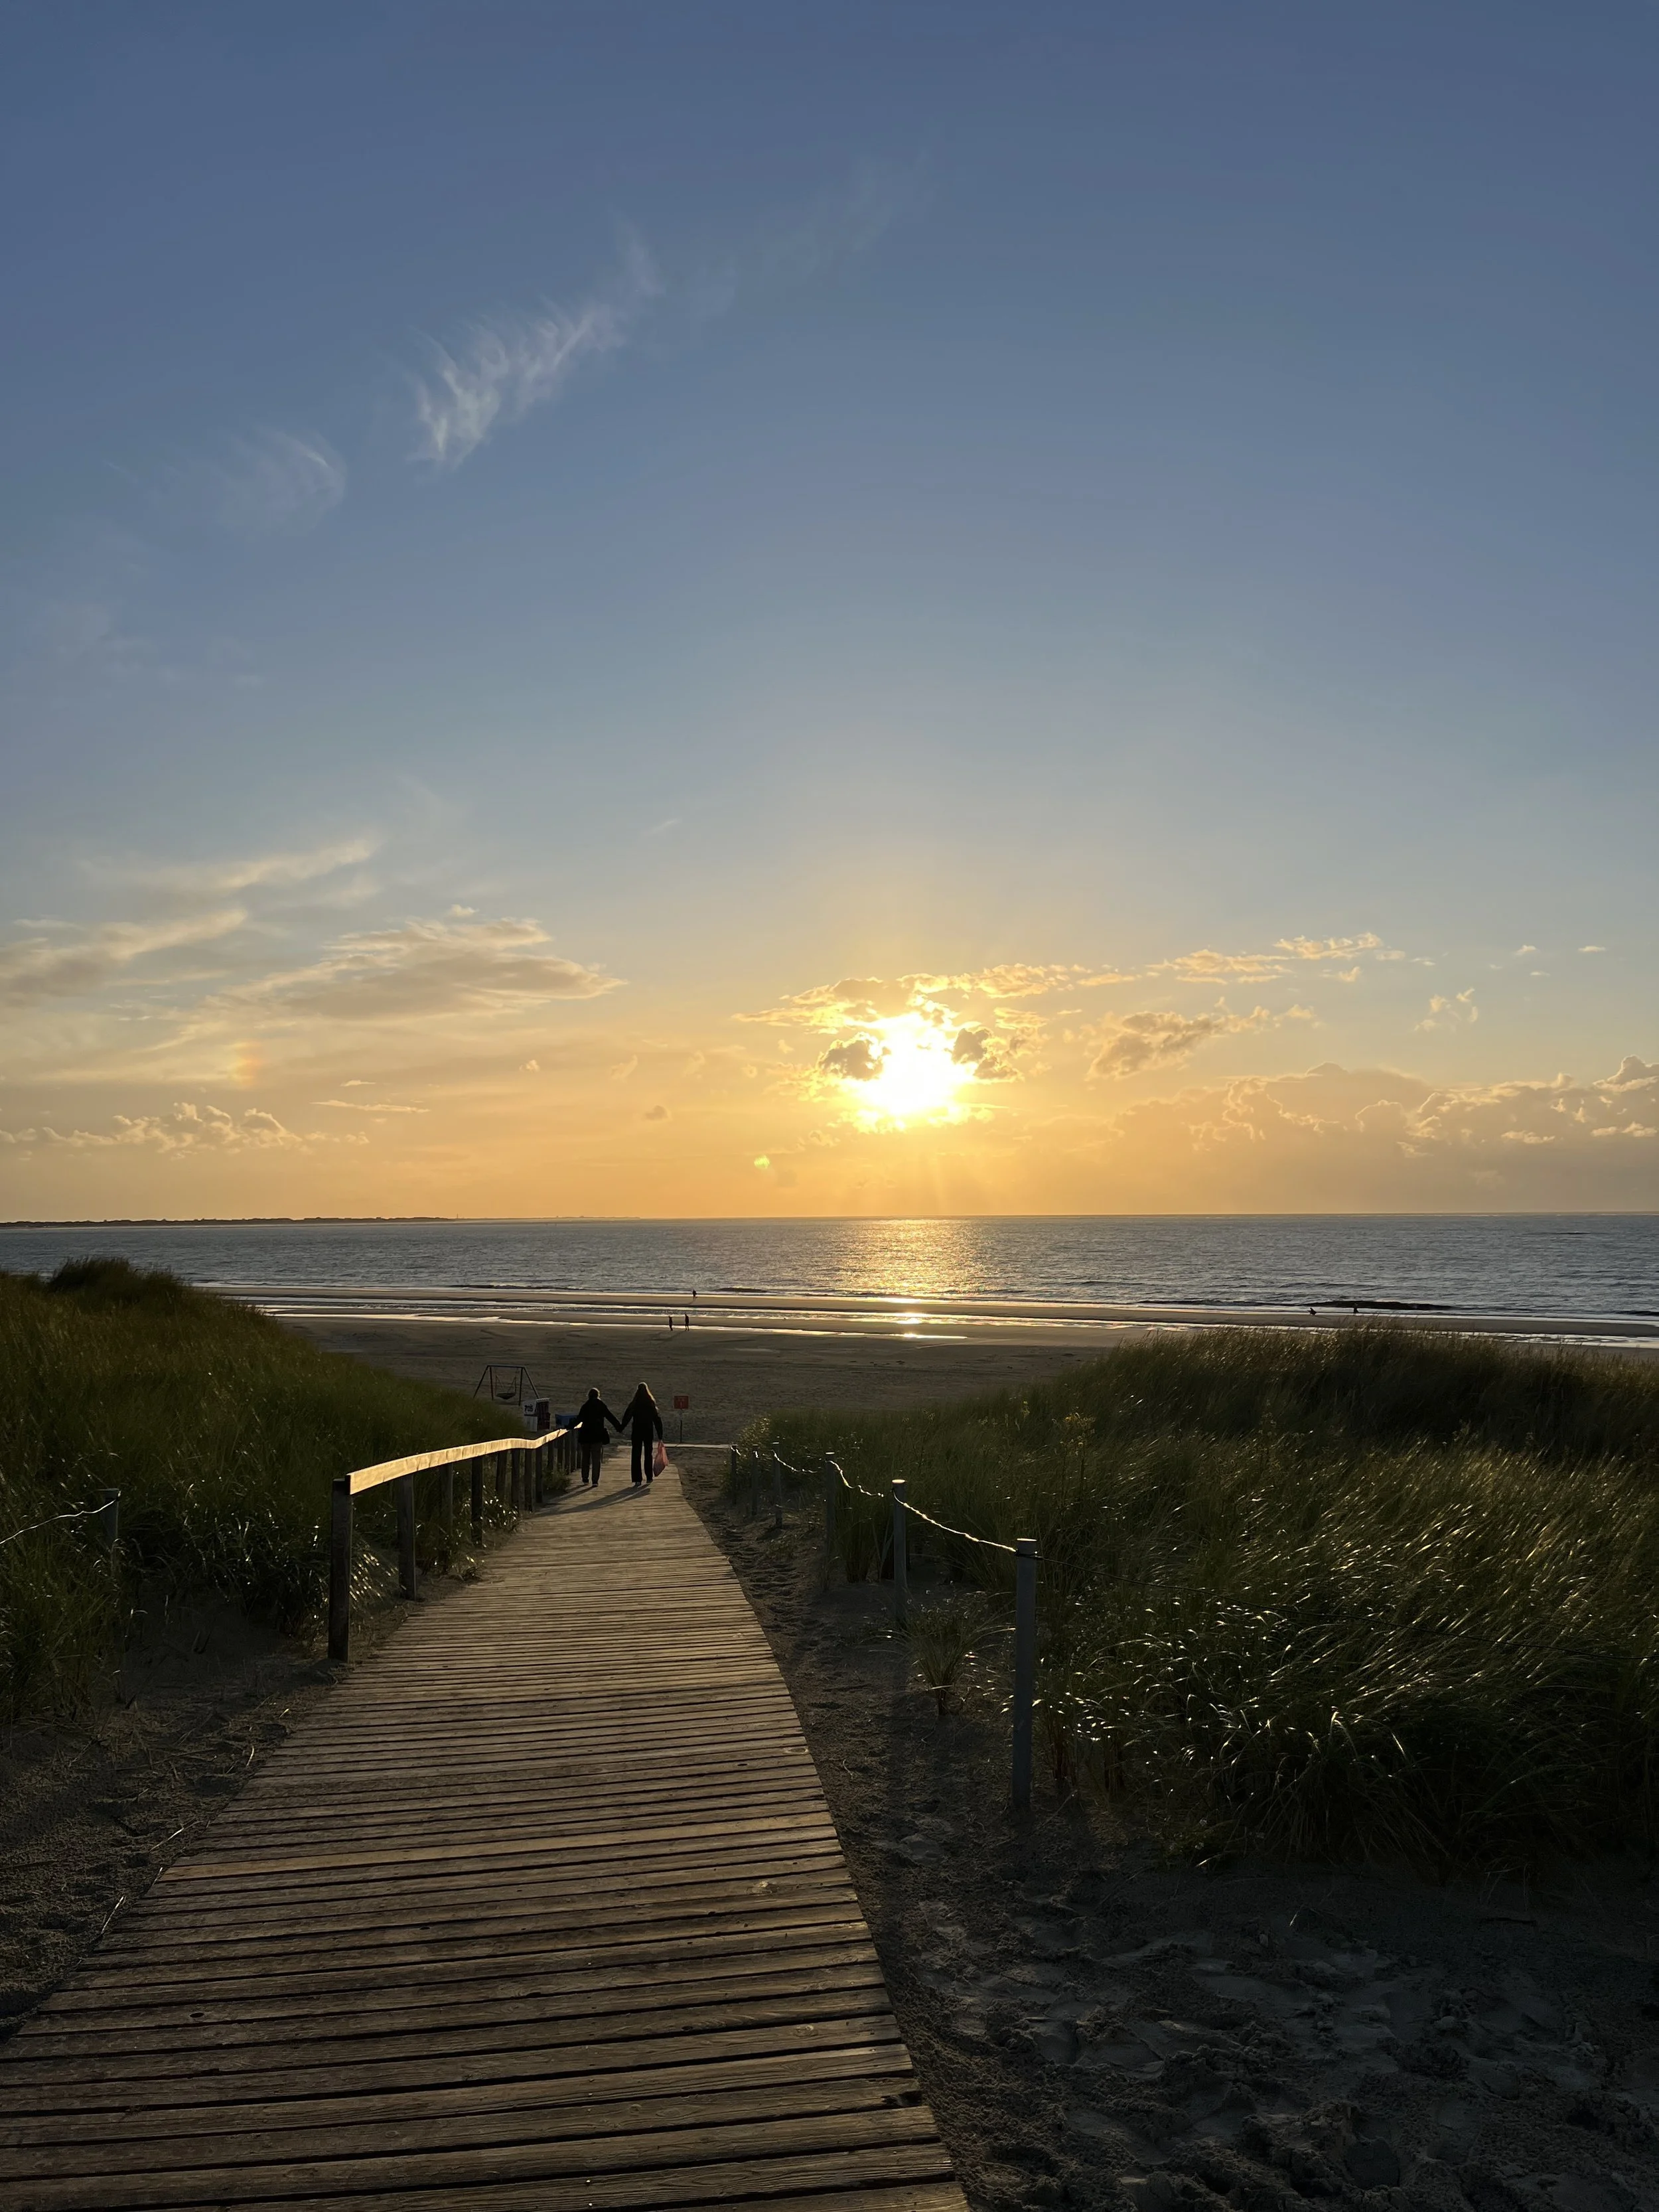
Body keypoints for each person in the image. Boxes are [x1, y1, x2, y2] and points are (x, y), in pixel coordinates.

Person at [571, 1387, 620, 1487]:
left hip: (586, 1436)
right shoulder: (601, 1405)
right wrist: (619, 1427)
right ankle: (595, 1481)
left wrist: (569, 1426)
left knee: (585, 1458)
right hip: (597, 1436)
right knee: (596, 1459)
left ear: (589, 1396)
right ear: (598, 1395)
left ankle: (585, 1478)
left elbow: (579, 1419)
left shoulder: (586, 1406)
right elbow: (610, 1416)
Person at [620, 1382, 664, 1487]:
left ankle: (637, 1479)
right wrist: (660, 1435)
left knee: (636, 1455)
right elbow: (657, 1420)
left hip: (637, 1431)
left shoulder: (634, 1403)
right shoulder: (650, 1404)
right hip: (648, 1431)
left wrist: (621, 1427)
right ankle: (649, 1477)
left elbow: (627, 1417)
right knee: (648, 1455)